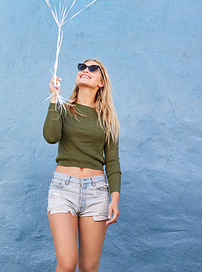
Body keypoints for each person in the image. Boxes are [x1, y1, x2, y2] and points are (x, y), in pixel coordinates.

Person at [43, 59, 121, 272]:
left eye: (92, 68)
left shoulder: (107, 119)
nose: (85, 70)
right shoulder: (63, 107)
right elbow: (50, 137)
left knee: (88, 267)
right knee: (67, 264)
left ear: (101, 82)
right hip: (63, 190)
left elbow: (112, 160)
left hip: (96, 193)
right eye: (82, 67)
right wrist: (54, 98)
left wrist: (115, 197)